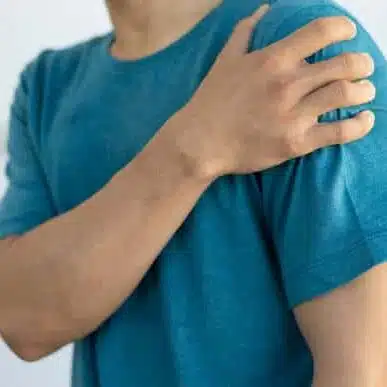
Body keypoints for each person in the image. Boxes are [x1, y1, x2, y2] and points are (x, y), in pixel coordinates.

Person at [0, 0, 386, 385]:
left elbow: (364, 371)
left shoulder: (294, 48)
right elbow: (22, 321)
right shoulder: (46, 88)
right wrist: (195, 143)